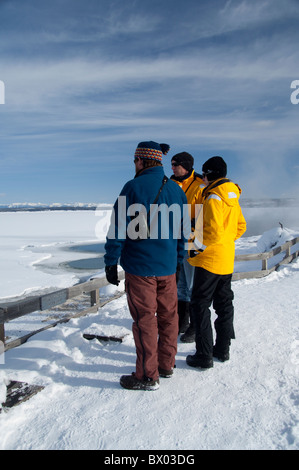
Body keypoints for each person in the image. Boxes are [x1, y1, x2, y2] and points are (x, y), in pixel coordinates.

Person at [104, 141, 187, 391]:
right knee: (169, 317)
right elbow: (185, 233)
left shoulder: (132, 187)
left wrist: (111, 262)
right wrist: (180, 261)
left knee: (144, 321)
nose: (134, 165)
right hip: (168, 268)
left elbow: (117, 229)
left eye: (135, 161)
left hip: (140, 269)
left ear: (141, 161)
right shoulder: (177, 190)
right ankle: (166, 365)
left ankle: (147, 376)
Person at [186, 156, 246, 369]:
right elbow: (241, 227)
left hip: (209, 260)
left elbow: (211, 232)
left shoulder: (213, 197)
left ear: (210, 174)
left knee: (200, 305)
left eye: (204, 173)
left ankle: (203, 354)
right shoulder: (232, 195)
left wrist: (194, 248)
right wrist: (226, 243)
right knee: (224, 304)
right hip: (226, 258)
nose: (202, 176)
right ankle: (222, 348)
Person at [170, 152, 205, 341]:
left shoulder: (200, 184)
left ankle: (194, 325)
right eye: (172, 164)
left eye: (176, 164)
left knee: (191, 285)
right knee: (180, 283)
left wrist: (190, 223)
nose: (173, 167)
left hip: (192, 240)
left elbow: (204, 214)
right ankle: (181, 321)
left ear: (186, 165)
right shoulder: (170, 183)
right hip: (174, 241)